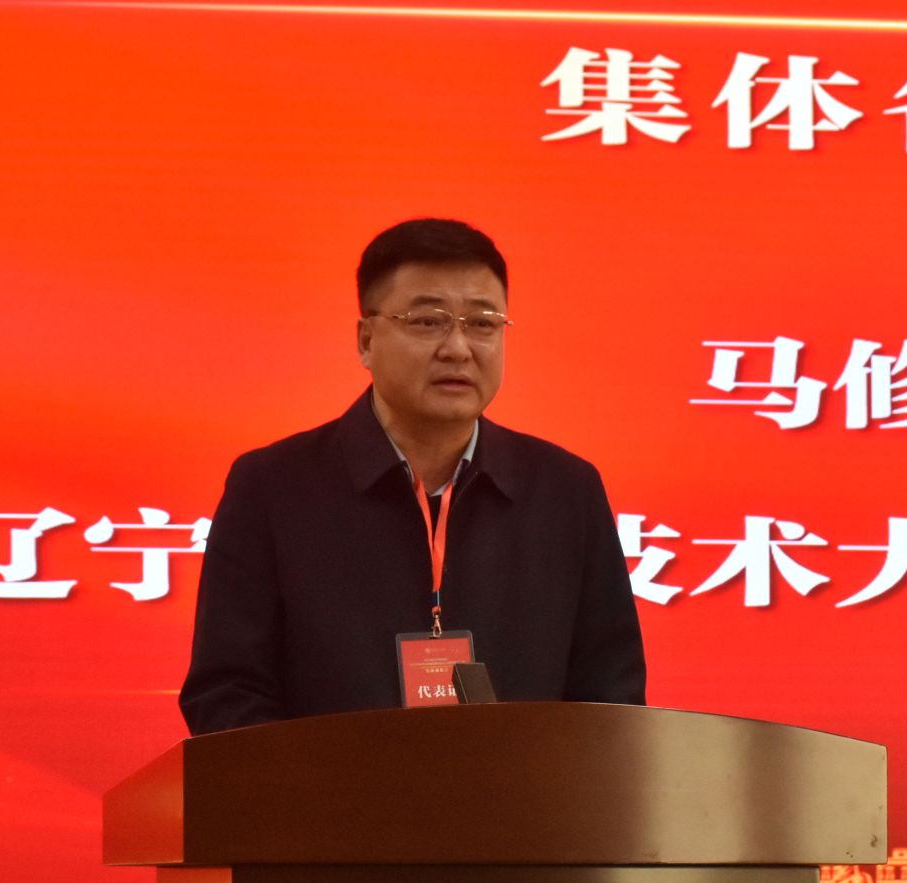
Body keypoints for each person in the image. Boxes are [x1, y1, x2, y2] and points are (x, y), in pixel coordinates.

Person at [179, 218, 646, 734]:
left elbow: (612, 698)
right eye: (427, 322)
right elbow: (228, 693)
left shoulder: (566, 492)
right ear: (366, 340)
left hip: (525, 789)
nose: (458, 348)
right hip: (329, 789)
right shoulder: (272, 489)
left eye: (483, 323)